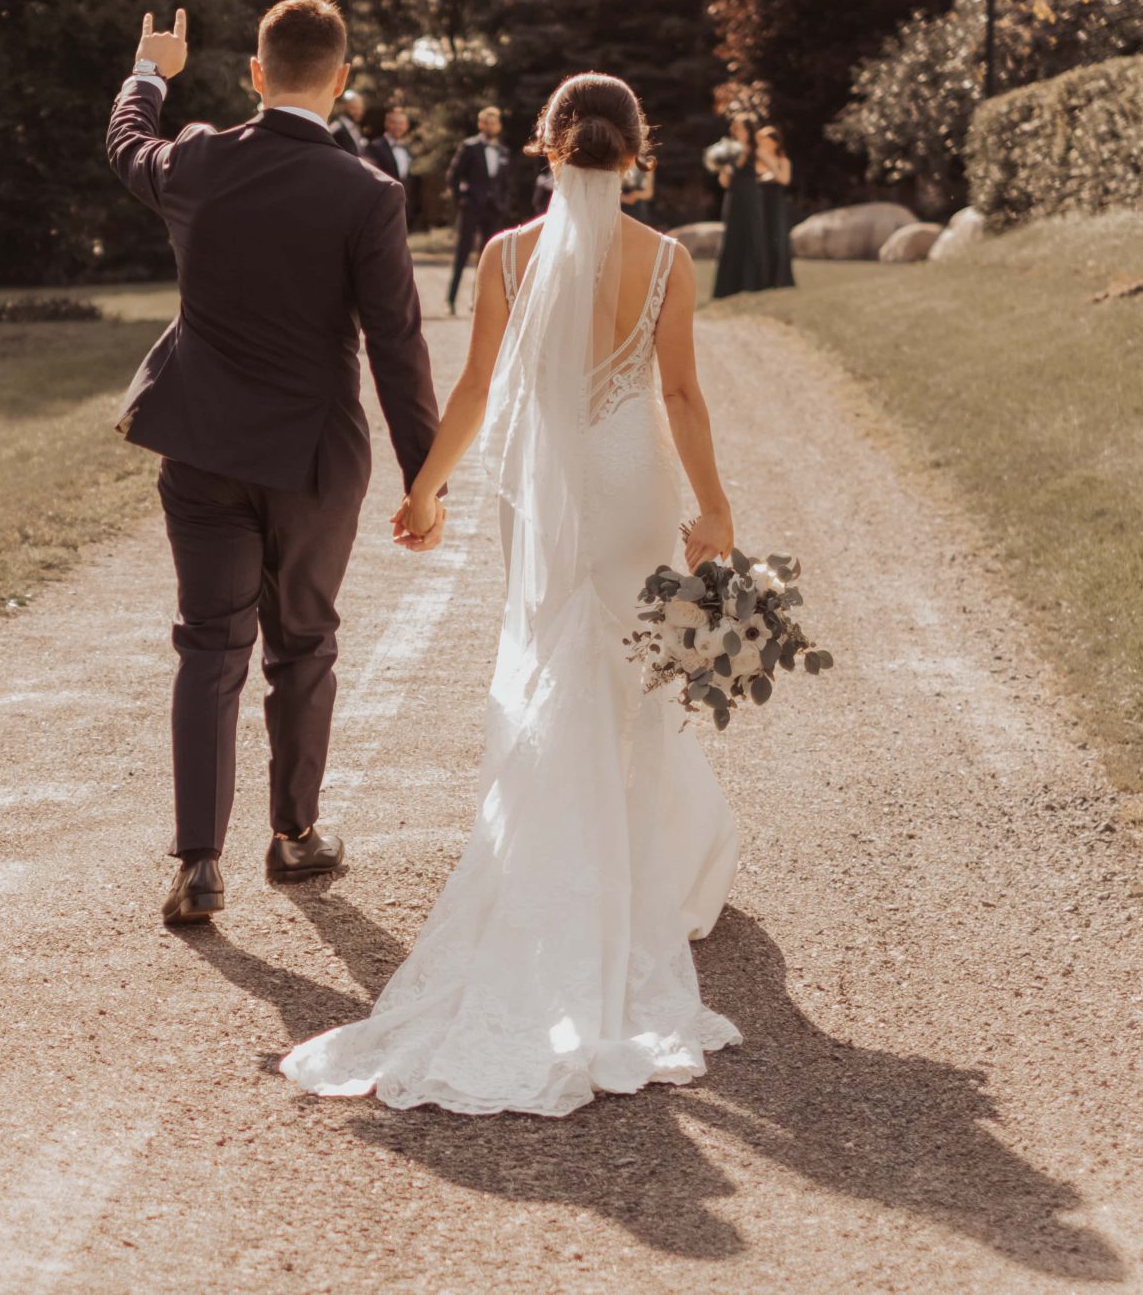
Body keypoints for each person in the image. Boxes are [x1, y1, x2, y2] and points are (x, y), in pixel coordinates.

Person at [283, 71, 744, 1116]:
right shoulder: (665, 259)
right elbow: (679, 394)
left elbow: (481, 390)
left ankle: (568, 848)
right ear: (635, 152)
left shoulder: (505, 255)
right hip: (627, 483)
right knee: (633, 666)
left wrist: (426, 487)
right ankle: (642, 865)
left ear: (546, 149)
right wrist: (713, 509)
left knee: (556, 657)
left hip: (545, 494)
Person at [107, 0, 442, 927]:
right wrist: (425, 479)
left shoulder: (200, 160)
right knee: (304, 643)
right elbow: (397, 347)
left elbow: (130, 142)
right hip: (313, 459)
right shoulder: (367, 193)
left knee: (206, 645)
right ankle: (293, 835)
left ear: (256, 73)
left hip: (203, 446)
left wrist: (149, 69)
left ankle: (198, 865)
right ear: (341, 81)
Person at [446, 105, 511, 314]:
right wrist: (462, 198)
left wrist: (503, 202)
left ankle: (479, 301)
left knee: (488, 257)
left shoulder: (503, 151)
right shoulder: (470, 147)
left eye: (495, 122)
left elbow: (505, 182)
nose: (491, 125)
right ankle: (451, 300)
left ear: (499, 125)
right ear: (481, 124)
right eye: (487, 121)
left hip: (494, 209)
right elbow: (454, 176)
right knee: (463, 252)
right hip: (472, 207)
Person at [708, 110, 770, 298]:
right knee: (732, 236)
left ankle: (754, 283)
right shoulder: (729, 150)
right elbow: (723, 182)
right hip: (734, 198)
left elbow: (769, 168)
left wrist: (768, 176)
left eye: (739, 127)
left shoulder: (755, 150)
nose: (735, 130)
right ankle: (729, 286)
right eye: (734, 127)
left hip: (751, 197)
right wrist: (725, 173)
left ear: (748, 130)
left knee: (752, 234)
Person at [752, 123, 795, 288]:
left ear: (776, 143)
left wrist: (769, 161)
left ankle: (779, 279)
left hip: (774, 205)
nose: (764, 144)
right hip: (758, 205)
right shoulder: (755, 161)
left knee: (776, 238)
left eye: (767, 141)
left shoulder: (782, 160)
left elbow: (784, 179)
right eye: (762, 141)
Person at [329, 89, 368, 158]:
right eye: (354, 108)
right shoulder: (336, 126)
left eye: (360, 108)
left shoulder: (356, 126)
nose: (358, 112)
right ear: (344, 107)